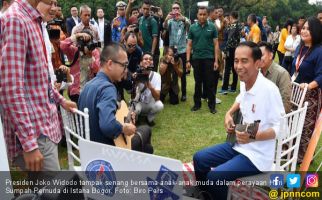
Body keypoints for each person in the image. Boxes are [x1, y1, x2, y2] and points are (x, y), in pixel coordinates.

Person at [193, 41, 284, 200]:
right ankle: (205, 194)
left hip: (258, 156)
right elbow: (241, 98)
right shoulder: (245, 82)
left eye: (244, 61)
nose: (238, 66)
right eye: (236, 61)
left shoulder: (270, 90)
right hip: (238, 144)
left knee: (215, 178)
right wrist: (228, 113)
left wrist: (254, 136)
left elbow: (282, 129)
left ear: (257, 63)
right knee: (199, 159)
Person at [0, 0, 76, 172]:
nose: (55, 7)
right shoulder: (16, 20)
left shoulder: (32, 19)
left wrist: (60, 99)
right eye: (51, 2)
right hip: (35, 133)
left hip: (43, 125)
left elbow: (39, 77)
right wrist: (29, 144)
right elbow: (10, 87)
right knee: (52, 193)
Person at [78, 44, 153, 153]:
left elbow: (98, 113)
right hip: (107, 151)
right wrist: (124, 128)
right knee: (146, 130)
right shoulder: (107, 88)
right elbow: (107, 126)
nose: (126, 70)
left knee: (147, 149)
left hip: (89, 150)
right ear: (110, 64)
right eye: (124, 65)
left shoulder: (88, 85)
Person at [291, 17, 322, 163]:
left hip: (312, 95)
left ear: (315, 31)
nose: (304, 31)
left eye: (308, 28)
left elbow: (321, 75)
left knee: (306, 126)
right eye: (303, 28)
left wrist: (309, 86)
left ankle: (303, 157)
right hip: (296, 91)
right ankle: (290, 150)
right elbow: (295, 67)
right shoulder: (300, 47)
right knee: (293, 121)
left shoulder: (319, 51)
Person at [186, 6, 219, 114]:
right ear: (197, 15)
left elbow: (216, 45)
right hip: (196, 59)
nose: (202, 16)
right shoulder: (192, 28)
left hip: (209, 58)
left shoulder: (213, 27)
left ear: (207, 15)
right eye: (200, 14)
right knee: (198, 82)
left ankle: (212, 106)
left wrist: (216, 61)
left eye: (204, 14)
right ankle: (197, 104)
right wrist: (187, 61)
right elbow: (189, 45)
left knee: (210, 83)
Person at [66, 4, 100, 103]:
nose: (87, 17)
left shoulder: (94, 28)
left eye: (89, 15)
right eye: (85, 15)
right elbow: (71, 47)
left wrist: (98, 58)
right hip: (79, 62)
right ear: (80, 15)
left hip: (92, 60)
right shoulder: (76, 29)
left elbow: (97, 46)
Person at [163, 1, 190, 102]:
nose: (175, 10)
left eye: (177, 8)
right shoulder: (169, 21)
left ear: (180, 10)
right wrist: (166, 19)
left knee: (182, 73)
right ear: (171, 10)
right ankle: (170, 91)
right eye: (174, 8)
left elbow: (189, 26)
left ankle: (184, 94)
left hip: (182, 49)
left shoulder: (184, 20)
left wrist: (183, 18)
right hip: (171, 50)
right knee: (171, 71)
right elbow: (164, 27)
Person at [258, 41, 292, 113]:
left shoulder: (282, 74)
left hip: (274, 118)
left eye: (261, 55)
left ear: (270, 55)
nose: (258, 59)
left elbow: (285, 105)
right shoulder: (258, 72)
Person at [134, 53, 163, 126]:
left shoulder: (157, 76)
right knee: (136, 109)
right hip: (139, 103)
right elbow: (132, 96)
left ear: (153, 62)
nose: (148, 61)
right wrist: (135, 82)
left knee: (160, 105)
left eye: (150, 59)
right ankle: (136, 118)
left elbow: (157, 97)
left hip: (150, 103)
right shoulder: (137, 74)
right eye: (145, 59)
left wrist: (151, 87)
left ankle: (149, 118)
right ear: (141, 63)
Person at [219, 11, 242, 94]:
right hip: (236, 48)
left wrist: (225, 51)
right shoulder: (239, 25)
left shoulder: (233, 26)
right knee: (234, 68)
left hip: (230, 49)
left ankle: (224, 88)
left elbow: (229, 39)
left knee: (228, 68)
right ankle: (233, 87)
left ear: (231, 17)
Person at [138, 0, 158, 66]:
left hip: (149, 51)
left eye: (147, 9)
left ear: (150, 9)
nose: (146, 11)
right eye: (144, 8)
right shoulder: (140, 19)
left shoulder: (153, 21)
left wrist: (152, 53)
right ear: (141, 8)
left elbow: (155, 38)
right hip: (140, 51)